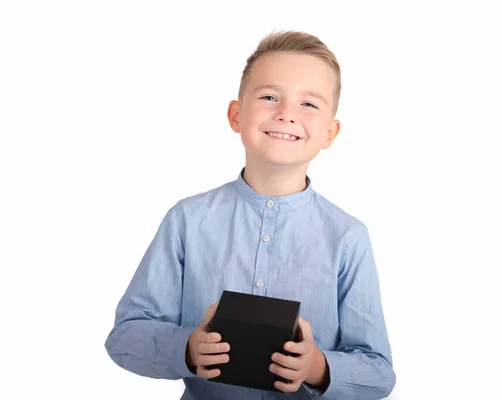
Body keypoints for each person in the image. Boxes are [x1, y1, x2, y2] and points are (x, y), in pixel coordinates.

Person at [105, 30, 396, 400]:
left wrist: (317, 367)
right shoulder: (187, 221)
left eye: (309, 104)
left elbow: (379, 373)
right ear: (236, 115)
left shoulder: (348, 237)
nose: (287, 114)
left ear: (329, 133)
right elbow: (126, 336)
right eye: (270, 97)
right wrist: (188, 348)